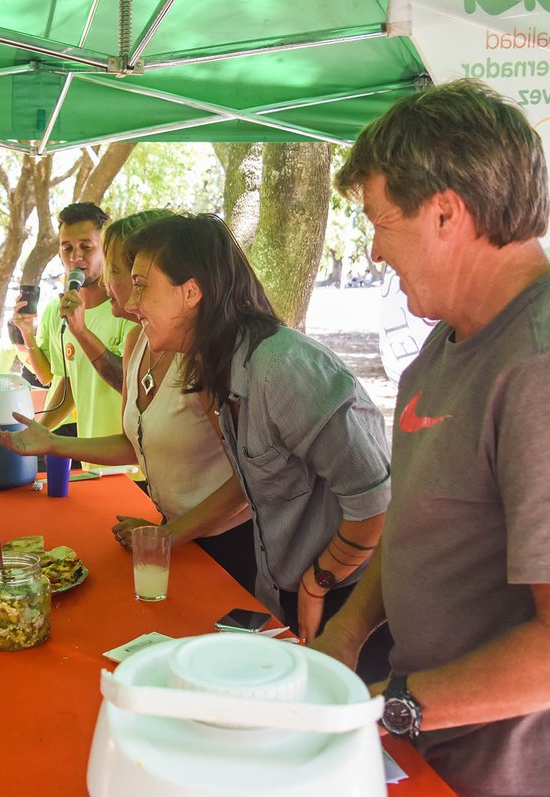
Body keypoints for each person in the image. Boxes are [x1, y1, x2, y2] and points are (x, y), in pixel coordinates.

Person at [314, 79, 550, 797]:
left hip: (534, 779)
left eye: (380, 221)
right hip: (448, 753)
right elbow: (422, 518)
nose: (374, 249)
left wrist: (391, 708)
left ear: (445, 213)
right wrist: (346, 633)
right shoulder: (449, 342)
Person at [122, 214, 393, 670]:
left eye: (141, 285)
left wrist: (318, 581)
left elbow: (376, 501)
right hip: (289, 594)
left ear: (191, 292)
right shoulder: (222, 369)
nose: (131, 303)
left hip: (348, 610)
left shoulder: (282, 365)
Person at [0, 209, 258, 592]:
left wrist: (167, 534)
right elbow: (135, 442)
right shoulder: (139, 342)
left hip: (227, 548)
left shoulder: (207, 358)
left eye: (118, 270)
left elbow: (247, 481)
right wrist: (53, 443)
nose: (108, 282)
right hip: (178, 537)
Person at [11, 203, 136, 469]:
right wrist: (39, 432)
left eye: (86, 247)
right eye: (67, 248)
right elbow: (67, 387)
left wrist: (82, 332)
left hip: (135, 464)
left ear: (105, 249)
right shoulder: (59, 312)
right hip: (94, 463)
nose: (76, 257)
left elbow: (131, 385)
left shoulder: (129, 309)